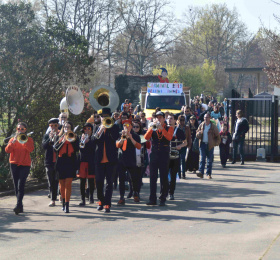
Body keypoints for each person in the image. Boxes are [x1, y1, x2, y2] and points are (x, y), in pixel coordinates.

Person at [144, 111, 174, 206]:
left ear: (164, 119)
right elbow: (146, 137)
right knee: (152, 177)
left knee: (163, 177)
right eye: (157, 117)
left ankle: (163, 198)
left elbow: (169, 137)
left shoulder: (169, 128)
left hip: (164, 154)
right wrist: (151, 129)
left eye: (161, 117)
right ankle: (152, 198)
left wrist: (162, 128)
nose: (159, 119)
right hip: (154, 154)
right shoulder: (153, 127)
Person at [93, 107, 119, 213]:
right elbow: (93, 141)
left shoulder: (114, 127)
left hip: (111, 159)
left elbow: (115, 138)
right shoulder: (97, 127)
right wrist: (100, 131)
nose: (104, 118)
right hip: (99, 159)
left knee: (109, 182)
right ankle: (101, 200)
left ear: (110, 116)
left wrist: (108, 128)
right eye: (102, 117)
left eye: (106, 116)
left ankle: (107, 204)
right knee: (99, 182)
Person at [5, 122, 34, 215]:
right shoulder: (12, 139)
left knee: (21, 185)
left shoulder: (29, 139)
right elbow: (7, 150)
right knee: (16, 185)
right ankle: (20, 206)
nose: (20, 130)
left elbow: (31, 149)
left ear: (25, 130)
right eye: (18, 129)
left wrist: (24, 142)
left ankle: (18, 205)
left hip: (25, 164)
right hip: (14, 164)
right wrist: (13, 142)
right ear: (16, 130)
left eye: (22, 129)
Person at [54, 121, 79, 213]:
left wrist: (71, 140)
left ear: (71, 128)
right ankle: (64, 202)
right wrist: (62, 140)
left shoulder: (75, 137)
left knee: (68, 184)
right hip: (61, 162)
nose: (66, 129)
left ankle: (67, 205)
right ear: (63, 128)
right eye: (65, 127)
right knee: (61, 184)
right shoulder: (58, 137)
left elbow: (77, 149)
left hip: (70, 161)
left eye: (68, 127)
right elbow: (55, 149)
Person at [116, 120, 142, 205]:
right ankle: (121, 197)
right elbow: (118, 145)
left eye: (128, 125)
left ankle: (135, 193)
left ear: (131, 126)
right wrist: (123, 137)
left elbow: (138, 146)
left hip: (131, 159)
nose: (126, 127)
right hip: (121, 159)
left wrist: (130, 137)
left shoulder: (135, 135)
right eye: (124, 125)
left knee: (133, 179)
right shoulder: (120, 134)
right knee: (121, 179)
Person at [167, 114, 190, 200]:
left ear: (175, 120)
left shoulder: (179, 131)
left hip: (175, 155)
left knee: (173, 175)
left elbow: (185, 143)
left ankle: (171, 193)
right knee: (164, 174)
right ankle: (164, 191)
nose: (169, 120)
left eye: (171, 119)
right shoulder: (165, 129)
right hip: (165, 155)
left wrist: (180, 145)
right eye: (168, 119)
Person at [196, 113, 221, 179]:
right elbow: (197, 133)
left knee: (209, 161)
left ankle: (208, 174)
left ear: (210, 118)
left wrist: (215, 143)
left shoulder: (213, 127)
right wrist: (198, 134)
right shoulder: (201, 125)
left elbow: (218, 137)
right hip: (202, 144)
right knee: (202, 159)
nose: (205, 119)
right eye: (204, 117)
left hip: (210, 145)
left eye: (207, 117)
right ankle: (201, 173)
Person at [42, 118, 60, 206]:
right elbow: (44, 146)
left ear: (58, 126)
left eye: (55, 125)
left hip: (59, 161)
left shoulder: (61, 134)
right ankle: (52, 199)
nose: (53, 127)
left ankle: (58, 196)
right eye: (51, 126)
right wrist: (50, 138)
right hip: (49, 161)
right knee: (51, 180)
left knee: (57, 180)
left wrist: (56, 137)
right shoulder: (46, 135)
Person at [77, 123, 95, 206]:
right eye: (85, 129)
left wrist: (89, 142)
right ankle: (82, 198)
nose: (87, 130)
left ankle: (91, 196)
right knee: (82, 181)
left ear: (91, 130)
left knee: (91, 181)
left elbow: (94, 149)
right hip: (83, 161)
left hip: (91, 161)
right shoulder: (81, 138)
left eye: (89, 129)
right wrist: (83, 141)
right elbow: (81, 149)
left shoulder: (94, 138)